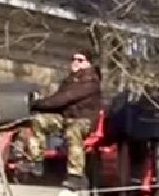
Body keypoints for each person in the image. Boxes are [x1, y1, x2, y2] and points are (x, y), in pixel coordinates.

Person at [27, 51, 104, 188]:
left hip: (83, 120)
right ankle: (37, 161)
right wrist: (40, 108)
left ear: (88, 64)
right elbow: (58, 101)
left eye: (80, 60)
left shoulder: (90, 81)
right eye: (73, 59)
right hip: (66, 118)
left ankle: (75, 175)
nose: (75, 62)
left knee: (73, 130)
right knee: (39, 121)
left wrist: (40, 104)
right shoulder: (69, 80)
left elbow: (65, 98)